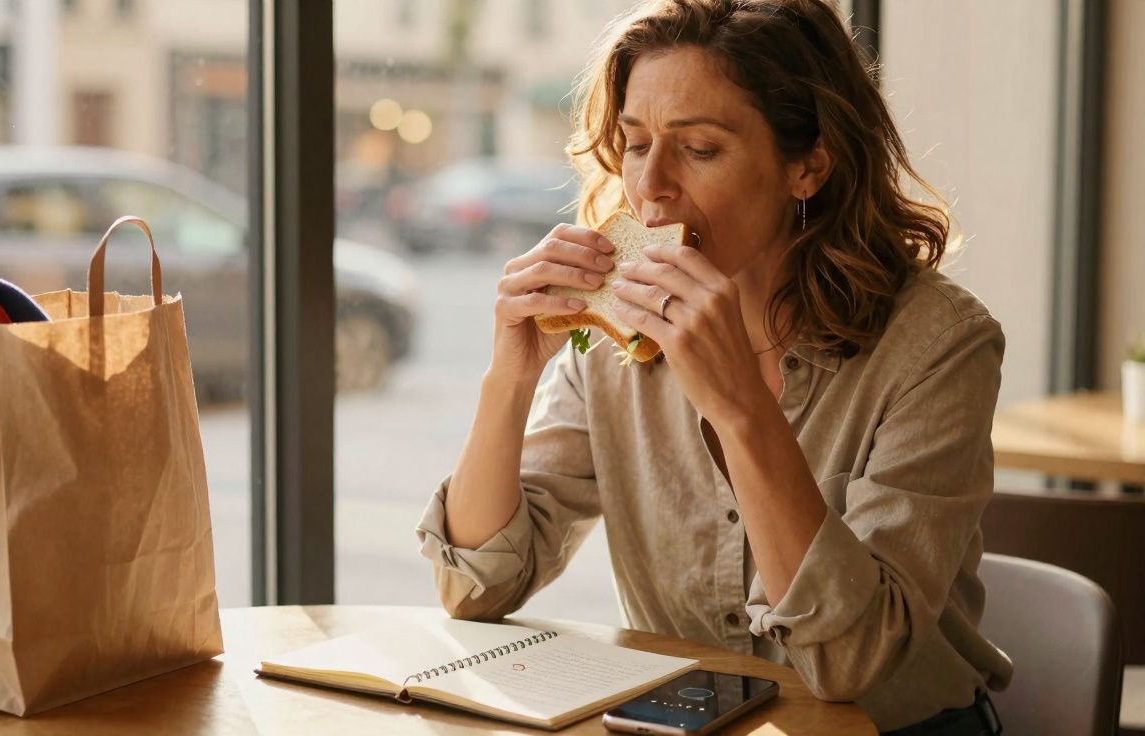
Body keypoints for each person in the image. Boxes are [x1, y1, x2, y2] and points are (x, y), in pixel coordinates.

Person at [414, 1, 1012, 733]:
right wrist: (510, 378)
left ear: (808, 165)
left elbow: (849, 663)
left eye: (699, 149)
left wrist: (740, 410)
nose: (652, 186)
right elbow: (476, 589)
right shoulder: (615, 334)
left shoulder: (939, 346)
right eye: (635, 144)